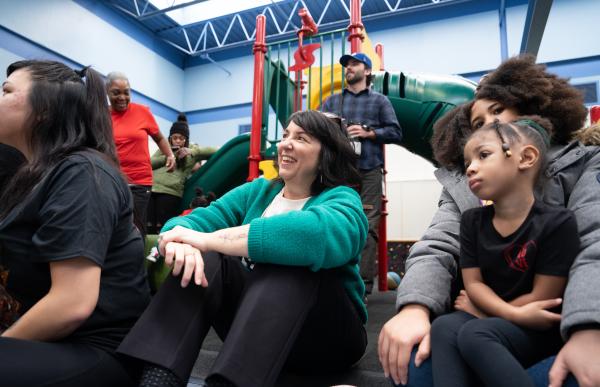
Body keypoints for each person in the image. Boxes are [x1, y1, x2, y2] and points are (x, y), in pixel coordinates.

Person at [378, 54, 598, 387]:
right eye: (478, 124)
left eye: (498, 111)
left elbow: (593, 243)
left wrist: (588, 327)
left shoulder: (581, 167)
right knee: (414, 365)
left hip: (558, 319)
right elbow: (436, 246)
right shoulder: (464, 193)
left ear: (531, 114)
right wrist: (415, 307)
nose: (490, 126)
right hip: (483, 322)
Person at [117, 110, 369, 387]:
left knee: (284, 262)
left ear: (326, 154)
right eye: (285, 135)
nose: (285, 143)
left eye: (301, 138)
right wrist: (179, 240)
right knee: (206, 260)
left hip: (327, 338)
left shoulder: (342, 197)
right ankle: (157, 379)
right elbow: (191, 222)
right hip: (260, 329)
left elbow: (314, 235)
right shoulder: (258, 191)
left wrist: (208, 239)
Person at [0, 60, 151, 386]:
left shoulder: (82, 172)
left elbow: (72, 304)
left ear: (44, 109)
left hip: (94, 352)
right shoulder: (32, 175)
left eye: (6, 90)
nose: (0, 97)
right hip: (50, 343)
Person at [431, 117, 579, 387]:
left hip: (536, 323)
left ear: (526, 157)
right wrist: (498, 312)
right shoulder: (472, 221)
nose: (471, 169)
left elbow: (543, 297)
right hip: (497, 313)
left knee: (475, 333)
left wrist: (487, 314)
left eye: (483, 155)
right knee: (443, 326)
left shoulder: (557, 222)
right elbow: (473, 284)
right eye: (467, 164)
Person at [321, 52, 403, 296]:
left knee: (367, 228)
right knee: (333, 223)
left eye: (354, 64)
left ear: (367, 71)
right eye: (347, 65)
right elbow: (314, 126)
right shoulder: (331, 102)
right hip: (338, 172)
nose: (348, 68)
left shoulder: (380, 101)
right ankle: (333, 282)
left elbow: (396, 132)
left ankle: (361, 288)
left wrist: (370, 133)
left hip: (369, 170)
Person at [107, 71, 176, 239]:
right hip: (113, 180)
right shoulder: (102, 115)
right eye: (116, 92)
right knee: (113, 224)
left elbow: (159, 137)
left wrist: (170, 155)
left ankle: (137, 263)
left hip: (140, 182)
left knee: (137, 227)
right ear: (107, 92)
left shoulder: (142, 112)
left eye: (126, 92)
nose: (122, 97)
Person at [147, 112, 216, 234]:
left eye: (181, 138)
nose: (177, 141)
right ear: (170, 138)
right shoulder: (164, 149)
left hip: (170, 192)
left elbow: (216, 150)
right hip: (152, 189)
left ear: (186, 140)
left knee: (162, 227)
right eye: (175, 138)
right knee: (148, 226)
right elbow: (149, 163)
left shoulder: (191, 152)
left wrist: (193, 151)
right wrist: (168, 156)